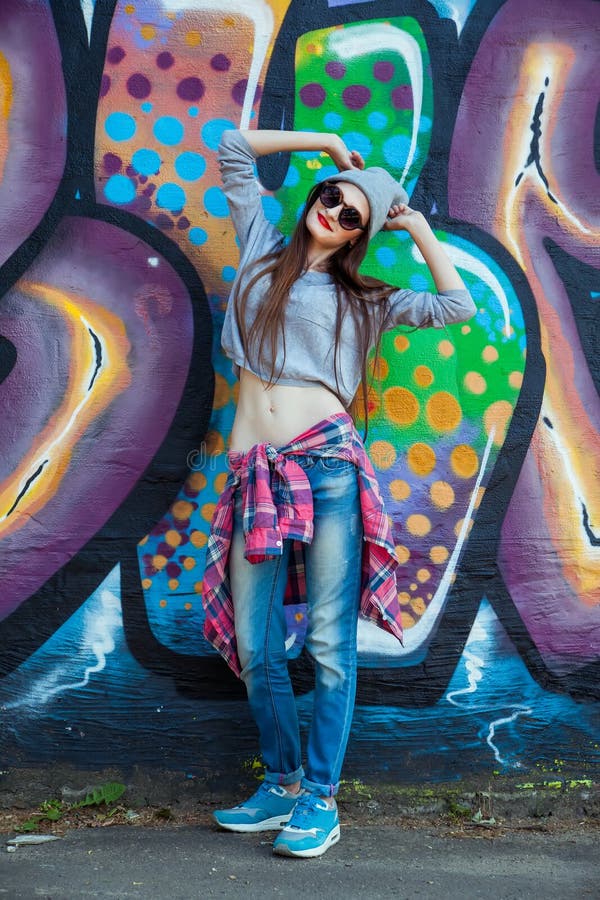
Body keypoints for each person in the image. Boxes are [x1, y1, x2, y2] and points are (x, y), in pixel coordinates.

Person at [202, 127, 476, 859]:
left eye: (354, 215)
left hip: (324, 469)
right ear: (315, 197)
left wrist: (413, 224)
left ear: (362, 235)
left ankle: (321, 800)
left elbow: (457, 307)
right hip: (253, 473)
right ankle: (284, 783)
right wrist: (325, 142)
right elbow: (233, 147)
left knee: (326, 642)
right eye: (332, 199)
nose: (335, 212)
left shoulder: (366, 298)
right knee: (257, 648)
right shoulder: (260, 244)